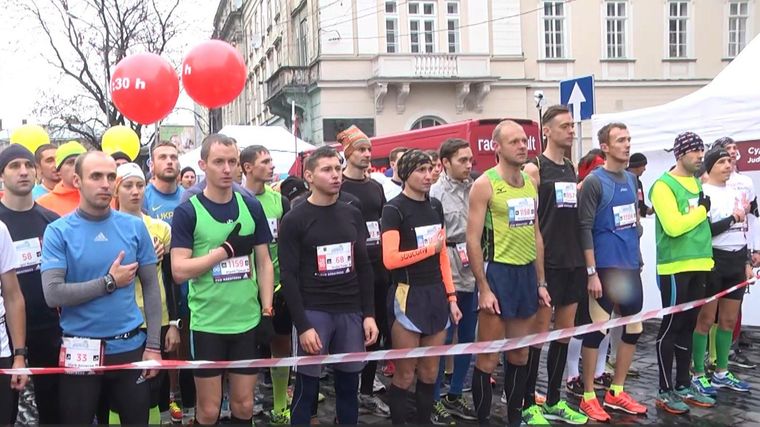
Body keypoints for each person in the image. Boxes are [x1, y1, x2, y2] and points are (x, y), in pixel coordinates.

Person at [41, 151, 162, 424]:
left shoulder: (134, 227)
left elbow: (152, 287)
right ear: (77, 181)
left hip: (129, 346)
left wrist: (153, 346)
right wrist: (109, 282)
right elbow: (53, 294)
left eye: (110, 177)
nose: (105, 184)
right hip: (80, 349)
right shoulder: (58, 231)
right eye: (96, 176)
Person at [170, 134, 275, 426]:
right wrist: (224, 251)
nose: (227, 169)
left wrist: (267, 310)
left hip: (246, 321)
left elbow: (264, 262)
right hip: (208, 324)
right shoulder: (188, 211)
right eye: (219, 162)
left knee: (244, 404)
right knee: (208, 409)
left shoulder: (251, 206)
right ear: (203, 165)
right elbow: (179, 270)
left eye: (232, 161)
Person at [278, 146, 378, 425]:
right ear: (309, 176)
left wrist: (369, 314)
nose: (335, 175)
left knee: (348, 388)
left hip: (350, 311)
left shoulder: (352, 213)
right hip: (314, 312)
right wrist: (303, 325)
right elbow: (288, 276)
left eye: (337, 168)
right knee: (306, 390)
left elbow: (364, 266)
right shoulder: (294, 219)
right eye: (327, 169)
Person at [466, 120, 550, 427]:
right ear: (497, 147)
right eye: (514, 141)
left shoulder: (530, 182)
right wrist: (484, 288)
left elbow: (536, 234)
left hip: (525, 274)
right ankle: (484, 420)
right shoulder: (485, 184)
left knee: (519, 355)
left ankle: (515, 418)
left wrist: (540, 282)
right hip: (498, 272)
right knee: (488, 358)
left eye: (524, 140)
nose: (522, 145)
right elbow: (472, 239)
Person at [382, 149, 462, 425]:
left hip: (436, 294)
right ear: (406, 174)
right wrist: (429, 249)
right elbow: (390, 260)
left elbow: (442, 257)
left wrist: (451, 297)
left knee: (429, 372)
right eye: (421, 170)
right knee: (405, 374)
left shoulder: (435, 206)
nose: (429, 176)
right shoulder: (394, 209)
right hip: (407, 293)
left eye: (431, 169)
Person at [575, 123, 648, 422]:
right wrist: (591, 272)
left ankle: (616, 391)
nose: (627, 144)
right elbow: (584, 228)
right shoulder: (594, 182)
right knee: (597, 330)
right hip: (604, 267)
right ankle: (588, 396)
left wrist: (638, 256)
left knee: (633, 329)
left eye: (628, 139)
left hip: (629, 265)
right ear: (605, 147)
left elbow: (633, 222)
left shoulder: (631, 179)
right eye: (620, 140)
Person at [521, 105, 589, 425]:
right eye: (565, 126)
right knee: (537, 335)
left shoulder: (571, 167)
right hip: (546, 262)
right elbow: (528, 221)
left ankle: (553, 399)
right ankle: (526, 402)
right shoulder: (534, 168)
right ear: (546, 131)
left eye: (572, 126)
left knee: (564, 333)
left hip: (572, 259)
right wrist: (538, 274)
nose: (571, 131)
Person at [110, 163, 181, 424]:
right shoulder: (106, 227)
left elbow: (171, 279)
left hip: (155, 318)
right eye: (128, 185)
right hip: (119, 319)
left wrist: (173, 322)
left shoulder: (160, 228)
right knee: (119, 391)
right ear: (116, 190)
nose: (135, 191)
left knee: (153, 387)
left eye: (140, 185)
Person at [650, 131, 715, 415]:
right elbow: (674, 226)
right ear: (680, 154)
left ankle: (683, 384)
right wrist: (701, 211)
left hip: (700, 263)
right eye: (695, 151)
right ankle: (664, 390)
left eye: (702, 151)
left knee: (688, 326)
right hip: (675, 266)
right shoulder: (663, 185)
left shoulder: (697, 182)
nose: (700, 156)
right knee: (671, 326)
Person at [0, 145, 60, 424]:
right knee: (8, 412)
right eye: (14, 166)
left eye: (28, 165)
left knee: (52, 410)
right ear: (2, 175)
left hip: (48, 327)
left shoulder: (52, 222)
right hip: (6, 334)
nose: (23, 171)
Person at [336, 125, 392, 418]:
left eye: (369, 149)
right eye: (360, 149)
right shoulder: (339, 186)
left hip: (378, 268)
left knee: (376, 330)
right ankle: (345, 393)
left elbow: (382, 223)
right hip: (348, 270)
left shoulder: (376, 187)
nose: (367, 154)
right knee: (349, 333)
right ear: (348, 154)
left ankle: (367, 390)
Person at [691, 147, 752, 397]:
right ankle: (697, 373)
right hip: (714, 259)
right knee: (706, 319)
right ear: (710, 166)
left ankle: (721, 371)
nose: (728, 165)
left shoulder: (737, 192)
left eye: (729, 161)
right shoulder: (703, 193)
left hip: (736, 260)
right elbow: (705, 230)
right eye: (722, 162)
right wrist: (733, 218)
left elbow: (745, 228)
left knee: (728, 320)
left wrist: (747, 261)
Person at [240, 145, 294, 424]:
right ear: (247, 167)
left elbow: (287, 242)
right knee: (246, 350)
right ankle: (243, 407)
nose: (272, 166)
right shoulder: (235, 199)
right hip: (244, 287)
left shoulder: (279, 200)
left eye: (271, 160)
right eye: (265, 161)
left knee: (281, 345)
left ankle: (280, 405)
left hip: (277, 286)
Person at [429, 138, 478, 424]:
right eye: (462, 160)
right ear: (445, 162)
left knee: (468, 335)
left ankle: (456, 392)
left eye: (470, 160)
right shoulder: (435, 193)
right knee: (444, 336)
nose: (468, 165)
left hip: (474, 267)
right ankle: (434, 397)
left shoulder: (477, 188)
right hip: (448, 265)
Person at [712, 136, 758, 370]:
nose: (731, 155)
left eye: (733, 149)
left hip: (739, 252)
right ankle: (703, 363)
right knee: (707, 314)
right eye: (725, 152)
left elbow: (751, 218)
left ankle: (726, 358)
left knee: (731, 312)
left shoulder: (744, 183)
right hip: (715, 255)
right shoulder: (705, 186)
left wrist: (752, 251)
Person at [37, 141, 87, 216]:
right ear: (59, 171)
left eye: (81, 162)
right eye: (71, 162)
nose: (76, 167)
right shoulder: (43, 204)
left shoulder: (99, 198)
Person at [144, 141, 184, 225]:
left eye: (173, 157)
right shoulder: (143, 198)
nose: (169, 161)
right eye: (163, 157)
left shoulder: (187, 196)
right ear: (152, 165)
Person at [627, 153, 652, 217]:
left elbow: (640, 204)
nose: (645, 169)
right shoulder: (623, 180)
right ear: (637, 166)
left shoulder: (638, 183)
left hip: (639, 220)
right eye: (644, 166)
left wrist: (652, 210)